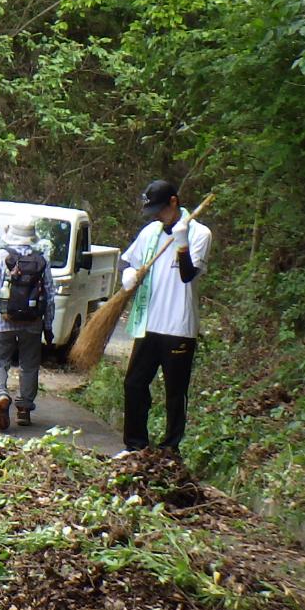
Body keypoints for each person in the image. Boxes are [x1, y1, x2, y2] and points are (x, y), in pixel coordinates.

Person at [117, 179, 212, 454]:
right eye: (152, 211)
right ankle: (135, 446)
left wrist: (181, 242)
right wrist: (127, 274)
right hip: (150, 324)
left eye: (161, 209)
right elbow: (128, 259)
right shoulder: (150, 232)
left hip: (179, 327)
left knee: (175, 391)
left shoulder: (199, 234)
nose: (157, 216)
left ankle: (171, 449)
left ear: (174, 202)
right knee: (134, 383)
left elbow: (188, 275)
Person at [0, 220, 55, 431]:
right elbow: (49, 295)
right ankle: (24, 409)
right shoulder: (41, 260)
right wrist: (48, 325)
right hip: (32, 322)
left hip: (2, 320)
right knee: (29, 365)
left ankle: (0, 394)